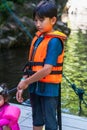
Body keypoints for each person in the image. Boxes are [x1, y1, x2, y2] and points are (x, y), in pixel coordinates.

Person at [16, 0, 67, 130]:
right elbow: (30, 65)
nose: (37, 24)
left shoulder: (54, 41)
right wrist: (23, 82)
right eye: (35, 20)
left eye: (41, 20)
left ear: (53, 20)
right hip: (35, 87)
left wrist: (26, 82)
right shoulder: (38, 39)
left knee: (50, 123)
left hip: (49, 89)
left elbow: (47, 70)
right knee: (37, 119)